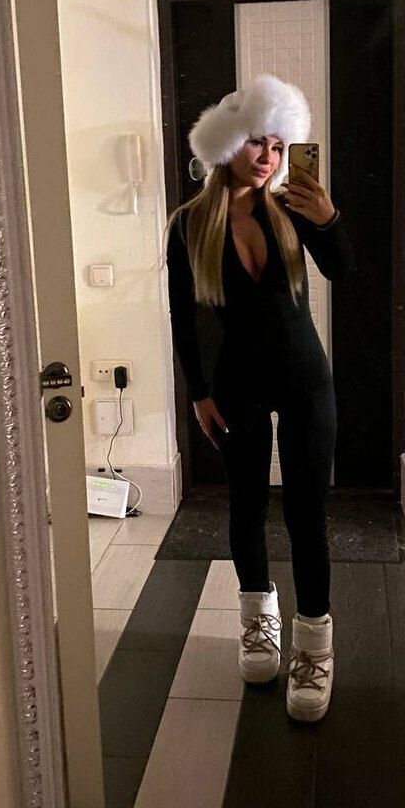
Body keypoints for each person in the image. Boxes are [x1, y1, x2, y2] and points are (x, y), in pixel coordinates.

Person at [163, 74, 356, 722]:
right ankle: (258, 623)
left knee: (306, 516)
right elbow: (183, 318)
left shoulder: (295, 211)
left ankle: (314, 648)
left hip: (305, 381)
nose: (270, 156)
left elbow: (345, 270)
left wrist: (328, 220)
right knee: (245, 507)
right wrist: (198, 393)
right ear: (226, 143)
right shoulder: (188, 226)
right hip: (234, 386)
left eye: (279, 145)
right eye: (257, 142)